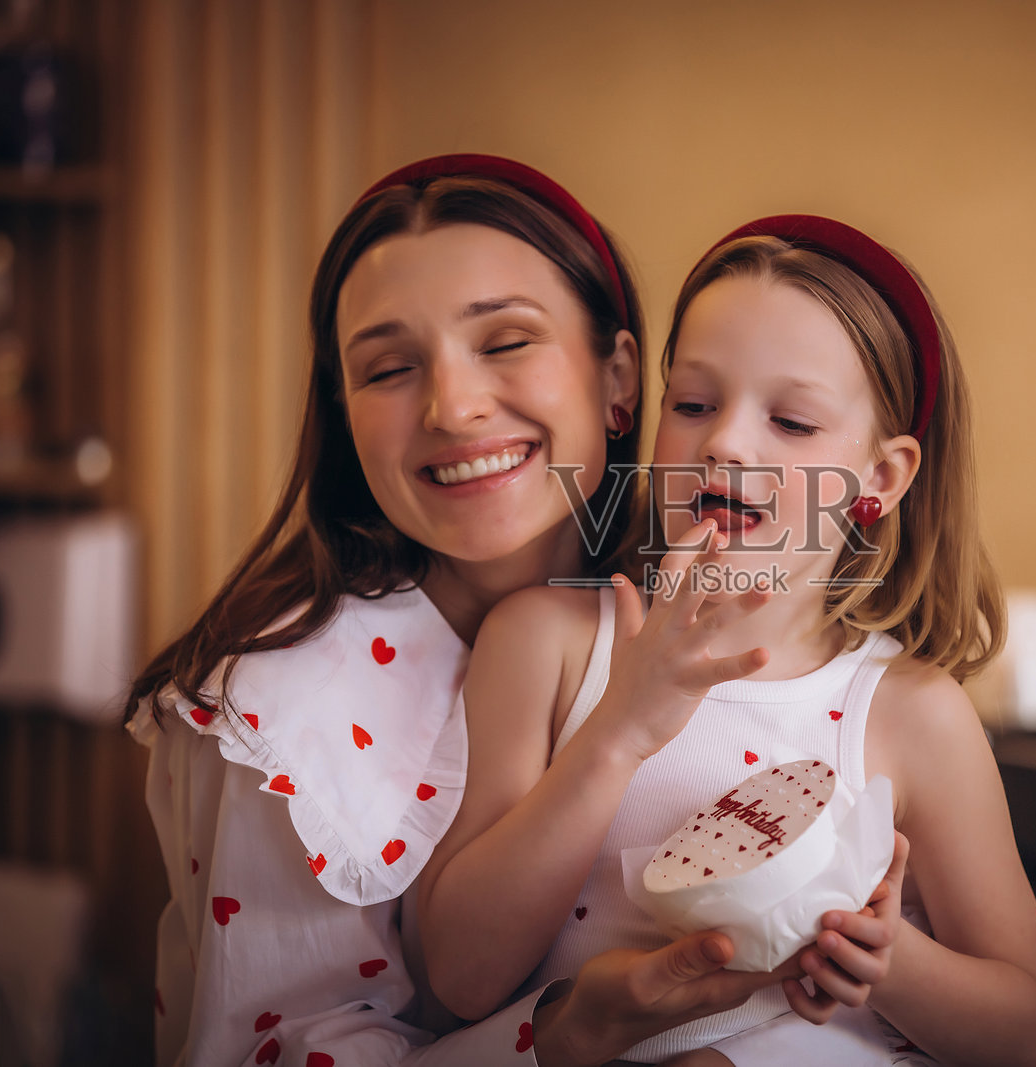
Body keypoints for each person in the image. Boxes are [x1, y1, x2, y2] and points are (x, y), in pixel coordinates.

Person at [125, 155, 807, 1067]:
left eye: (505, 341)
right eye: (391, 367)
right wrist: (562, 1039)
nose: (453, 406)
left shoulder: (695, 625)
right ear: (345, 411)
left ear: (619, 379)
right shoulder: (276, 715)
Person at [420, 215, 1036, 1064]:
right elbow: (458, 979)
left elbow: (1030, 1035)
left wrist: (886, 958)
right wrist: (618, 731)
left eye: (792, 422)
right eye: (692, 403)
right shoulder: (549, 644)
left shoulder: (909, 713)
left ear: (880, 477)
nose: (723, 440)